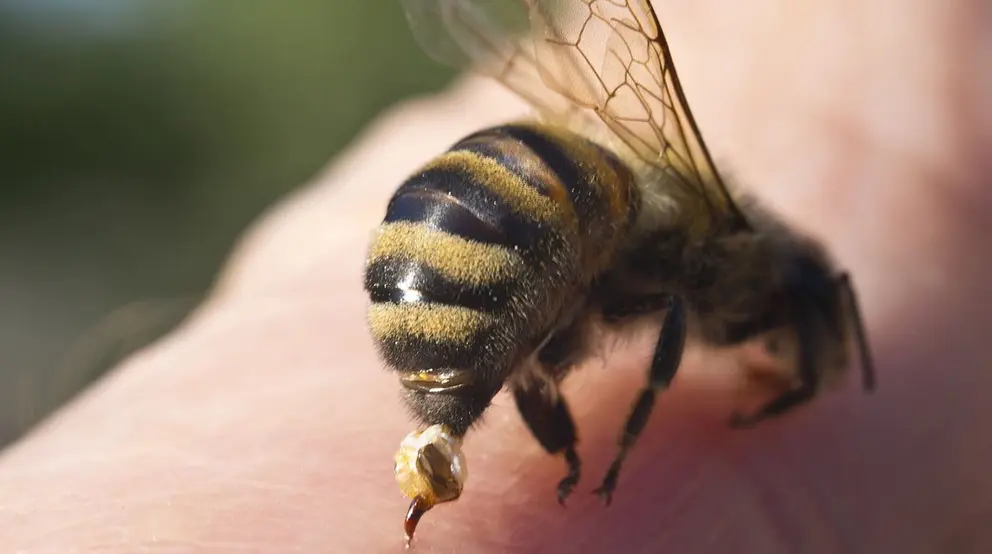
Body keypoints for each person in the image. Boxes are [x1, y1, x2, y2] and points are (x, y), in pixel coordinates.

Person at [1, 2, 990, 551]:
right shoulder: (711, 250)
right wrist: (621, 447)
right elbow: (641, 312)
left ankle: (485, 428)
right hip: (501, 227)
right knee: (578, 293)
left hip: (454, 226)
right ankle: (554, 448)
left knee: (549, 298)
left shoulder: (629, 229)